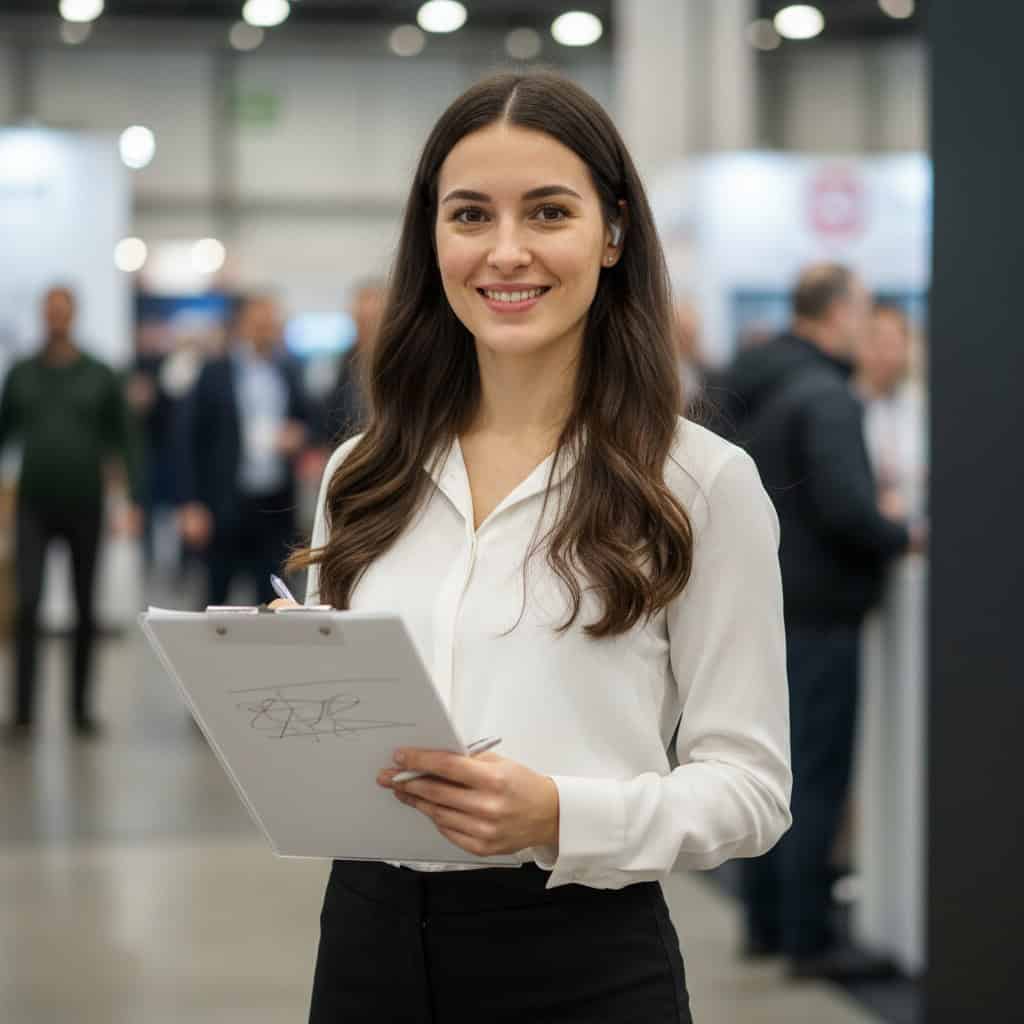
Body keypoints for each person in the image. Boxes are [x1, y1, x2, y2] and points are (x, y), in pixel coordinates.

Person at [274, 71, 792, 1023]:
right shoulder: (364, 470)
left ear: (612, 233)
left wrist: (562, 815)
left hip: (581, 957)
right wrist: (288, 686)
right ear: (431, 241)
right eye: (470, 215)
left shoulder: (699, 483)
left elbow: (751, 791)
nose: (505, 252)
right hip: (364, 944)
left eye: (547, 212)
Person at [716, 265, 926, 980]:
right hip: (822, 614)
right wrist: (903, 536)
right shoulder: (826, 396)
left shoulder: (759, 383)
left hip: (772, 603)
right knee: (815, 777)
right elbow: (845, 507)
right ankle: (810, 939)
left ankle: (767, 925)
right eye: (864, 313)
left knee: (774, 770)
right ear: (837, 315)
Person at [0, 286, 141, 739]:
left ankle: (80, 710)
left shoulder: (99, 374)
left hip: (85, 503)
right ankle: (22, 712)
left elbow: (123, 440)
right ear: (43, 315)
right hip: (33, 506)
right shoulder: (22, 373)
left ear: (73, 315)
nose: (57, 317)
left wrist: (128, 501)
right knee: (28, 604)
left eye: (64, 310)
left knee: (85, 607)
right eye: (50, 310)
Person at [176, 293, 309, 607]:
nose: (267, 329)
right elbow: (188, 439)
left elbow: (307, 421)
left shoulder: (288, 371)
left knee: (274, 601)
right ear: (241, 326)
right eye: (259, 322)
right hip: (225, 504)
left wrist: (298, 436)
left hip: (274, 506)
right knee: (217, 601)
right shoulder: (215, 372)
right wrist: (191, 503)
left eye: (271, 322)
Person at [320, 279, 386, 443]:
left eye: (373, 319)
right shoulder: (343, 362)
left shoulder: (400, 360)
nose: (366, 328)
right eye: (361, 320)